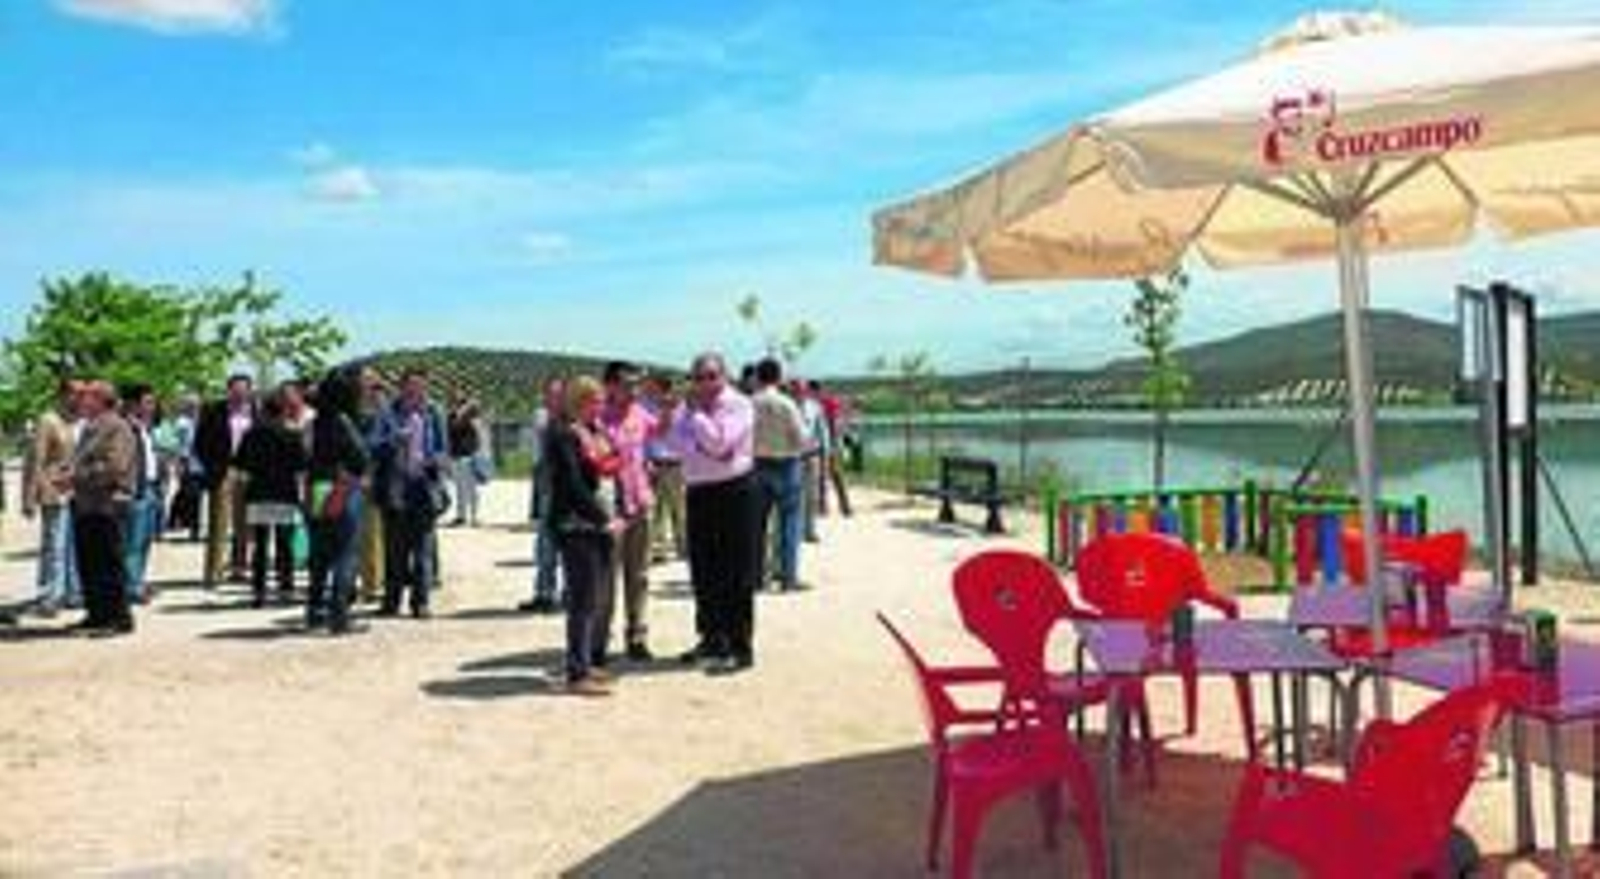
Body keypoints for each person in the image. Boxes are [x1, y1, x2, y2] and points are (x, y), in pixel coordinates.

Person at [668, 352, 760, 673]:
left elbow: (721, 444)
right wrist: (701, 446)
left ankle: (740, 645)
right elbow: (674, 444)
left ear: (725, 376)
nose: (704, 384)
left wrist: (697, 422)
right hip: (698, 492)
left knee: (736, 571)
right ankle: (711, 638)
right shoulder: (687, 406)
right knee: (703, 569)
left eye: (711, 376)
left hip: (734, 491)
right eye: (698, 377)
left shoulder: (739, 404)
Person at [546, 375, 622, 696]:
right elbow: (571, 486)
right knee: (582, 600)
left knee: (593, 598)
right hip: (577, 526)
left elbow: (608, 468)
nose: (603, 407)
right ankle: (577, 673)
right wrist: (604, 519)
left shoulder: (594, 431)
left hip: (598, 525)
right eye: (598, 401)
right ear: (581, 401)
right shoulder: (562, 435)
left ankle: (586, 663)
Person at [373, 368, 448, 619]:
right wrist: (395, 439)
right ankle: (391, 601)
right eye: (411, 387)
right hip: (396, 488)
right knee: (394, 549)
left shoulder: (434, 412)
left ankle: (421, 602)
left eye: (421, 387)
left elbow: (443, 449)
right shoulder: (387, 413)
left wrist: (434, 460)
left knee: (423, 549)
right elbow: (373, 445)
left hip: (424, 486)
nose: (417, 392)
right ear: (402, 388)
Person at [64, 380, 137, 637]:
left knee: (109, 563)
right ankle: (97, 614)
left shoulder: (117, 427)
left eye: (87, 396)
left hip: (108, 504)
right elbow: (82, 461)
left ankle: (118, 618)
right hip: (86, 504)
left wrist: (76, 477)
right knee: (89, 563)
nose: (81, 400)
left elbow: (115, 467)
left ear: (101, 399)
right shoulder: (90, 427)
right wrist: (69, 474)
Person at [304, 369, 371, 635]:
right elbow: (361, 458)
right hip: (340, 488)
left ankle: (314, 610)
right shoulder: (342, 420)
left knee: (320, 553)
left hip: (317, 486)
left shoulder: (317, 419)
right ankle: (339, 614)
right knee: (346, 553)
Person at [600, 361, 658, 662]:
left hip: (640, 504)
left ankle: (637, 635)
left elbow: (660, 433)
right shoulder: (596, 418)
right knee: (605, 578)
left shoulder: (640, 413)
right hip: (610, 509)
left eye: (637, 384)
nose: (634, 390)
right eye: (627, 384)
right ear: (609, 385)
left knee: (639, 576)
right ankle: (599, 639)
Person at [234, 392, 309, 608]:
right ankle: (285, 588)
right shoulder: (292, 434)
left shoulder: (251, 435)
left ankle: (259, 591)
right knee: (284, 543)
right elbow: (302, 467)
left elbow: (241, 466)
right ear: (283, 411)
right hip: (285, 494)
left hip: (258, 493)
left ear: (264, 411)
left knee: (260, 544)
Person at [21, 378, 80, 616]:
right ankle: (48, 596)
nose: (79, 398)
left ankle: (67, 592)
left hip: (73, 492)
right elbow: (36, 459)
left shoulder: (72, 422)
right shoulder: (48, 421)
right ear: (63, 395)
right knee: (53, 546)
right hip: (52, 491)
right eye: (75, 394)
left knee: (69, 546)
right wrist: (29, 496)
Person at [195, 374, 257, 587]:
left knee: (245, 524)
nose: (240, 393)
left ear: (250, 391)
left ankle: (239, 567)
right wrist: (212, 466)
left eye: (244, 389)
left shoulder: (257, 412)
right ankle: (213, 572)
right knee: (218, 523)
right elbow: (200, 443)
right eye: (236, 389)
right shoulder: (214, 411)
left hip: (249, 471)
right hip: (223, 471)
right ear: (228, 390)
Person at [751, 358, 807, 592]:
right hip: (786, 465)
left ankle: (757, 578)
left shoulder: (748, 403)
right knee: (789, 523)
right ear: (778, 376)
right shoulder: (787, 404)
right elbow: (802, 437)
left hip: (756, 466)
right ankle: (788, 577)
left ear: (758, 376)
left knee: (756, 526)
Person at [519, 377, 564, 613]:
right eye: (548, 394)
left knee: (565, 544)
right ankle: (544, 593)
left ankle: (567, 596)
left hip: (565, 489)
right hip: (546, 483)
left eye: (556, 394)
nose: (550, 399)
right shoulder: (542, 418)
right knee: (544, 542)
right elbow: (537, 450)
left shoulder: (570, 422)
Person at [120, 384, 161, 605]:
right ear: (133, 403)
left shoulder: (145, 427)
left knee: (145, 540)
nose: (151, 407)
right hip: (136, 489)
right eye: (147, 402)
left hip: (152, 487)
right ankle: (131, 587)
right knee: (132, 542)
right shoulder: (124, 426)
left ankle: (137, 581)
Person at [644, 376, 686, 563]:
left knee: (679, 509)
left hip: (675, 464)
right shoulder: (648, 408)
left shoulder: (682, 409)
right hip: (655, 463)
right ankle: (656, 550)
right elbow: (645, 438)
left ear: (663, 389)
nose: (650, 391)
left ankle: (683, 547)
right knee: (655, 510)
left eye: (653, 388)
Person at [354, 369, 388, 604]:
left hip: (376, 478)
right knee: (356, 535)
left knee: (373, 532)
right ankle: (359, 581)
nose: (367, 385)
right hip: (351, 477)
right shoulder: (350, 410)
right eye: (364, 380)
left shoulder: (384, 411)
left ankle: (372, 583)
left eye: (371, 380)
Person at [793, 379, 828, 545]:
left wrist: (825, 453)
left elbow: (822, 430)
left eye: (802, 389)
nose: (799, 392)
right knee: (796, 496)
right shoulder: (788, 407)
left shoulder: (815, 407)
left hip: (812, 455)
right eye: (796, 389)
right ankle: (797, 531)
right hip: (794, 457)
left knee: (812, 494)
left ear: (806, 390)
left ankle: (810, 530)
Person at [165, 394, 204, 541]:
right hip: (187, 464)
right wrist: (178, 464)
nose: (195, 407)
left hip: (201, 466)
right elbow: (178, 445)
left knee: (195, 497)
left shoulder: (201, 422)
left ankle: (193, 527)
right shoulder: (182, 423)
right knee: (190, 496)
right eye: (191, 404)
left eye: (197, 404)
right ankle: (187, 524)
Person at [815, 381, 854, 518]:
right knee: (828, 475)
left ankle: (835, 507)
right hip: (827, 443)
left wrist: (834, 442)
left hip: (829, 443)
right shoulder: (827, 403)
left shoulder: (825, 404)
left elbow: (835, 424)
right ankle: (836, 507)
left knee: (830, 474)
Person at [447, 398, 487, 527]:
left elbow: (479, 438)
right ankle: (461, 516)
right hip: (456, 457)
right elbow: (451, 432)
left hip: (468, 457)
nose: (456, 406)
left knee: (471, 488)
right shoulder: (452, 417)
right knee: (460, 489)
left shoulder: (472, 419)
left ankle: (475, 516)